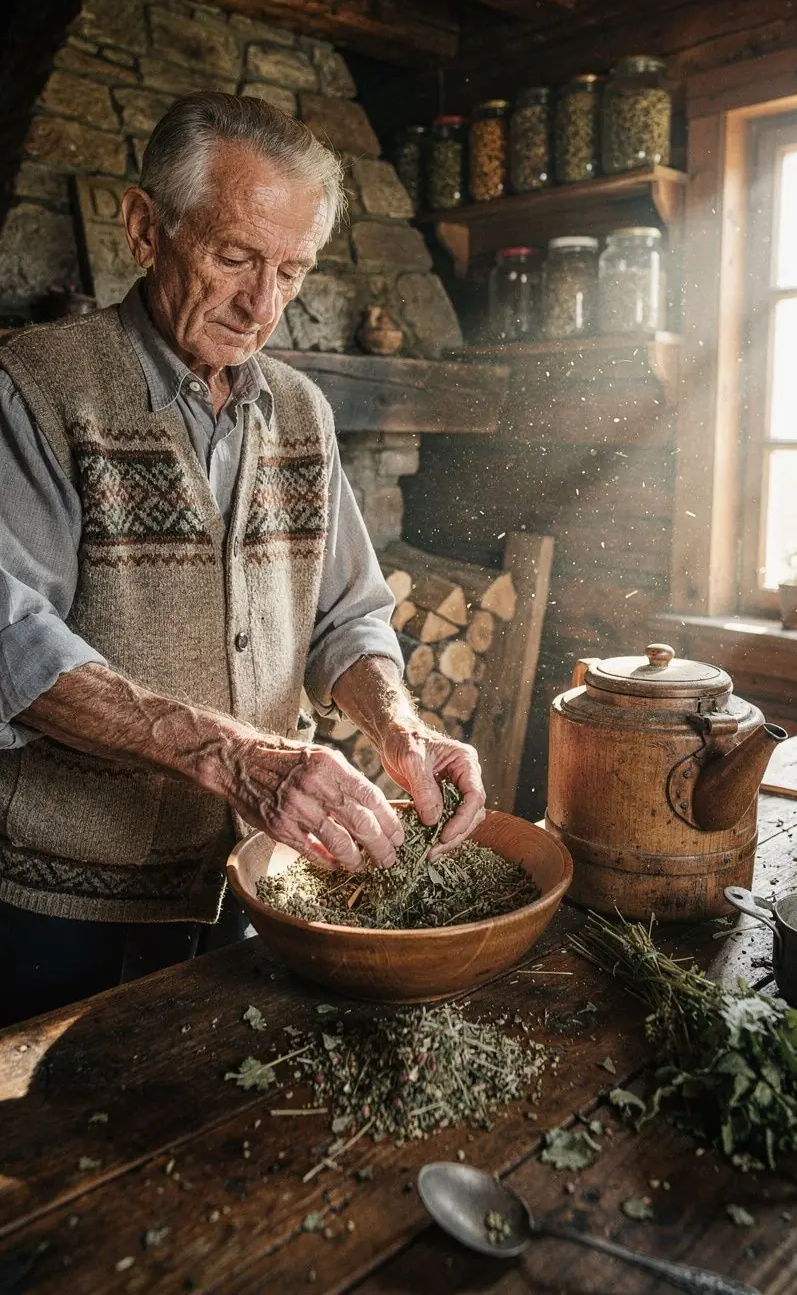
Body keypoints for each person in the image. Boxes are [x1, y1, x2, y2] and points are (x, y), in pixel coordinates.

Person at [0, 92, 485, 1025]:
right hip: (58, 910)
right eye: (234, 258)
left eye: (292, 271)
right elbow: (14, 643)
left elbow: (347, 617)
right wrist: (239, 757)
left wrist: (401, 729)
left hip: (243, 888)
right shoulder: (36, 389)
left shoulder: (301, 412)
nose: (263, 304)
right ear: (145, 227)